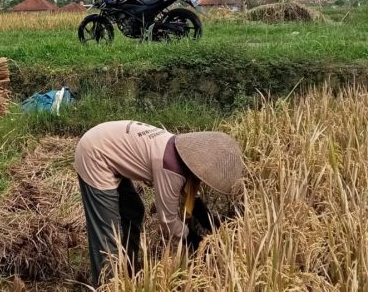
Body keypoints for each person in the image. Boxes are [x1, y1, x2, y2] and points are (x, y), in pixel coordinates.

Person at [74, 121, 245, 286]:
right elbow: (168, 222)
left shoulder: (181, 149)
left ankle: (128, 269)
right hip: (95, 154)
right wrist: (198, 243)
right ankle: (107, 284)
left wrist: (216, 228)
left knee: (134, 211)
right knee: (107, 231)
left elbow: (194, 200)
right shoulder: (170, 168)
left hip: (107, 143)